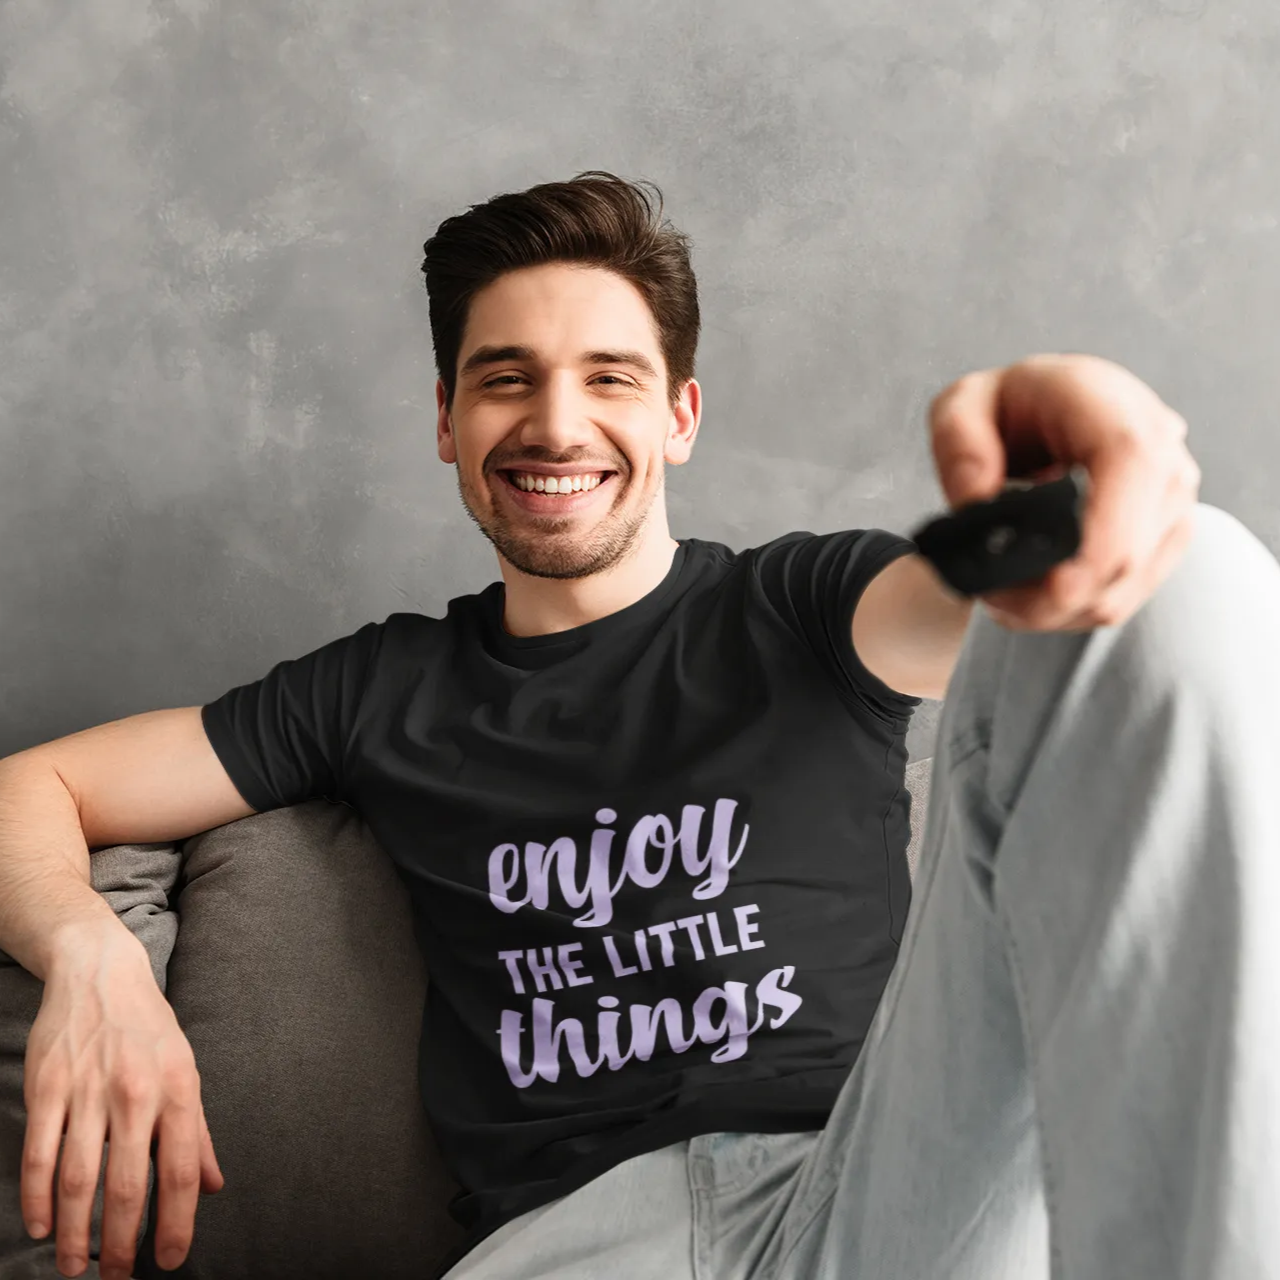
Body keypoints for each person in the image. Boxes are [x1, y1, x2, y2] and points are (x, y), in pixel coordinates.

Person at [0, 170, 1275, 1280]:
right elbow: (31, 789)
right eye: (506, 380)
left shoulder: (804, 606)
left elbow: (1037, 592)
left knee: (1191, 568)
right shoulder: (375, 688)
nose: (556, 423)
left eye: (608, 377)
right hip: (575, 1239)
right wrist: (93, 961)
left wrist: (1072, 462)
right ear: (447, 423)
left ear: (678, 416)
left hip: (871, 1197)